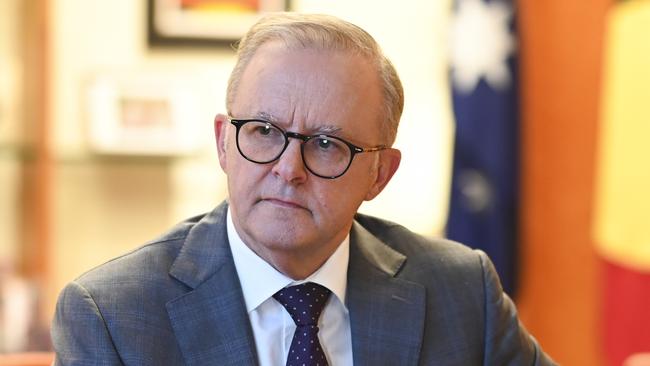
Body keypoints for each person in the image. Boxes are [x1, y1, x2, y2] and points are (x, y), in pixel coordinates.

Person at [51, 12, 555, 366]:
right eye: (264, 132)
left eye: (326, 143)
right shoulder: (113, 315)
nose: (289, 168)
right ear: (224, 142)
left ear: (380, 174)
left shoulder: (463, 292)